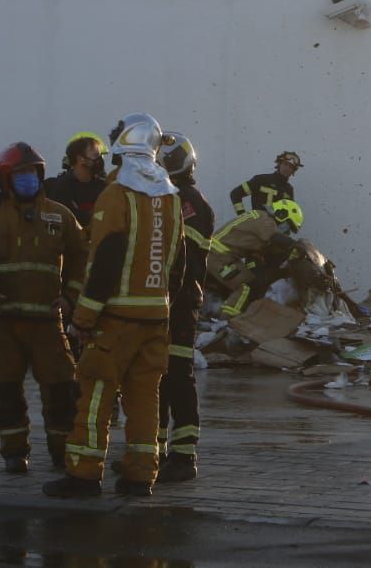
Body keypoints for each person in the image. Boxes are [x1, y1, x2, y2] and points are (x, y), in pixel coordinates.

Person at [45, 113, 185, 499]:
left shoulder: (116, 195)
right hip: (156, 317)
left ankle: (84, 475)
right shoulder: (172, 197)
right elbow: (178, 261)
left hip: (116, 319)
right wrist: (162, 304)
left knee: (95, 397)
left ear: (123, 146)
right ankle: (141, 475)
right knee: (144, 398)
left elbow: (106, 257)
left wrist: (84, 316)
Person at [0, 142, 89, 474]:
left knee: (61, 389)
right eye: (20, 174)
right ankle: (14, 452)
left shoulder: (60, 215)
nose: (28, 179)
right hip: (4, 322)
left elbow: (81, 259)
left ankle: (62, 453)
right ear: (6, 178)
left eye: (33, 173)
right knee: (6, 389)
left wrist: (69, 298)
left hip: (48, 322)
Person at [156, 133, 215, 484]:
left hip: (179, 304)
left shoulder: (189, 202)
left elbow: (181, 260)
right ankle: (154, 449)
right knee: (157, 377)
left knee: (178, 376)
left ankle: (184, 454)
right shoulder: (168, 197)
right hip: (162, 301)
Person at [207, 197, 303, 318]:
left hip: (221, 255)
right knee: (246, 286)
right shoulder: (265, 220)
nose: (285, 231)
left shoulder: (259, 217)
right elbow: (275, 238)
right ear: (281, 214)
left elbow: (269, 249)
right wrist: (297, 246)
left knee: (250, 279)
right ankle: (228, 321)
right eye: (287, 226)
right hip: (218, 256)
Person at [44, 132, 108, 231]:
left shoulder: (103, 186)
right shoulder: (61, 188)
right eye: (96, 155)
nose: (99, 159)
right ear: (81, 159)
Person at [228, 151, 301, 217]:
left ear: (293, 171)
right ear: (279, 164)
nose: (287, 168)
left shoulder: (289, 189)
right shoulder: (260, 180)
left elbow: (290, 214)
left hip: (276, 230)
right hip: (258, 228)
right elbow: (235, 194)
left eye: (291, 167)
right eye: (285, 164)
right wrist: (243, 216)